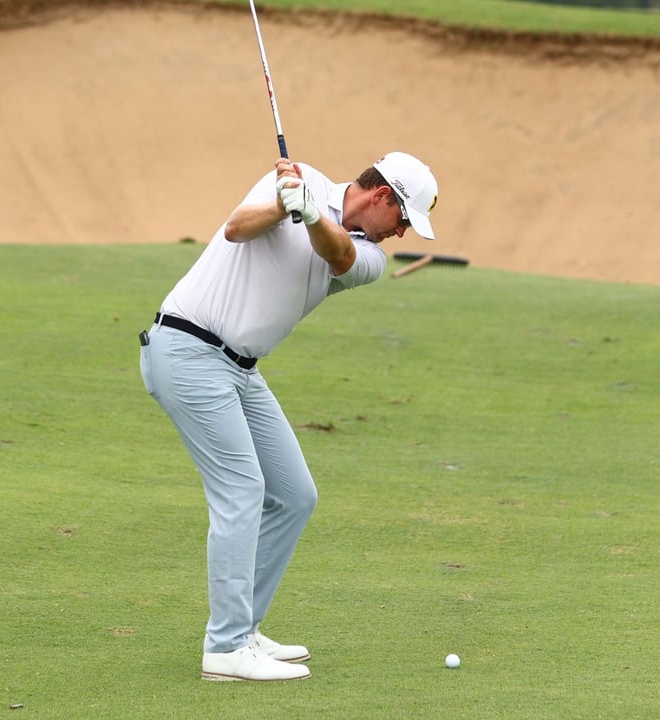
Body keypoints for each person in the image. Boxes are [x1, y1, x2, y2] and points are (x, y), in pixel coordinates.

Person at [138, 151, 439, 681]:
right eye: (403, 219)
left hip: (241, 369)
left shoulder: (371, 257)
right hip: (187, 350)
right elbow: (235, 229)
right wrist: (284, 205)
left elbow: (339, 252)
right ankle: (226, 650)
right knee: (241, 492)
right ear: (383, 197)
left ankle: (244, 627)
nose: (401, 232)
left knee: (295, 495)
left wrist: (310, 213)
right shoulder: (297, 179)